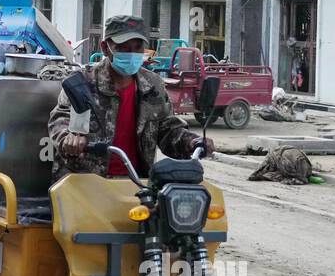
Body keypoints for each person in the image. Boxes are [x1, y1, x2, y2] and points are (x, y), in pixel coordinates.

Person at [48, 14, 212, 179]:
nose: (132, 54)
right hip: (86, 183)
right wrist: (68, 139)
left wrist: (191, 142)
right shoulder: (82, 83)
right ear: (105, 48)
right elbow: (60, 119)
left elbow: (168, 130)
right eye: (123, 48)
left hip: (137, 183)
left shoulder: (152, 85)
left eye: (137, 47)